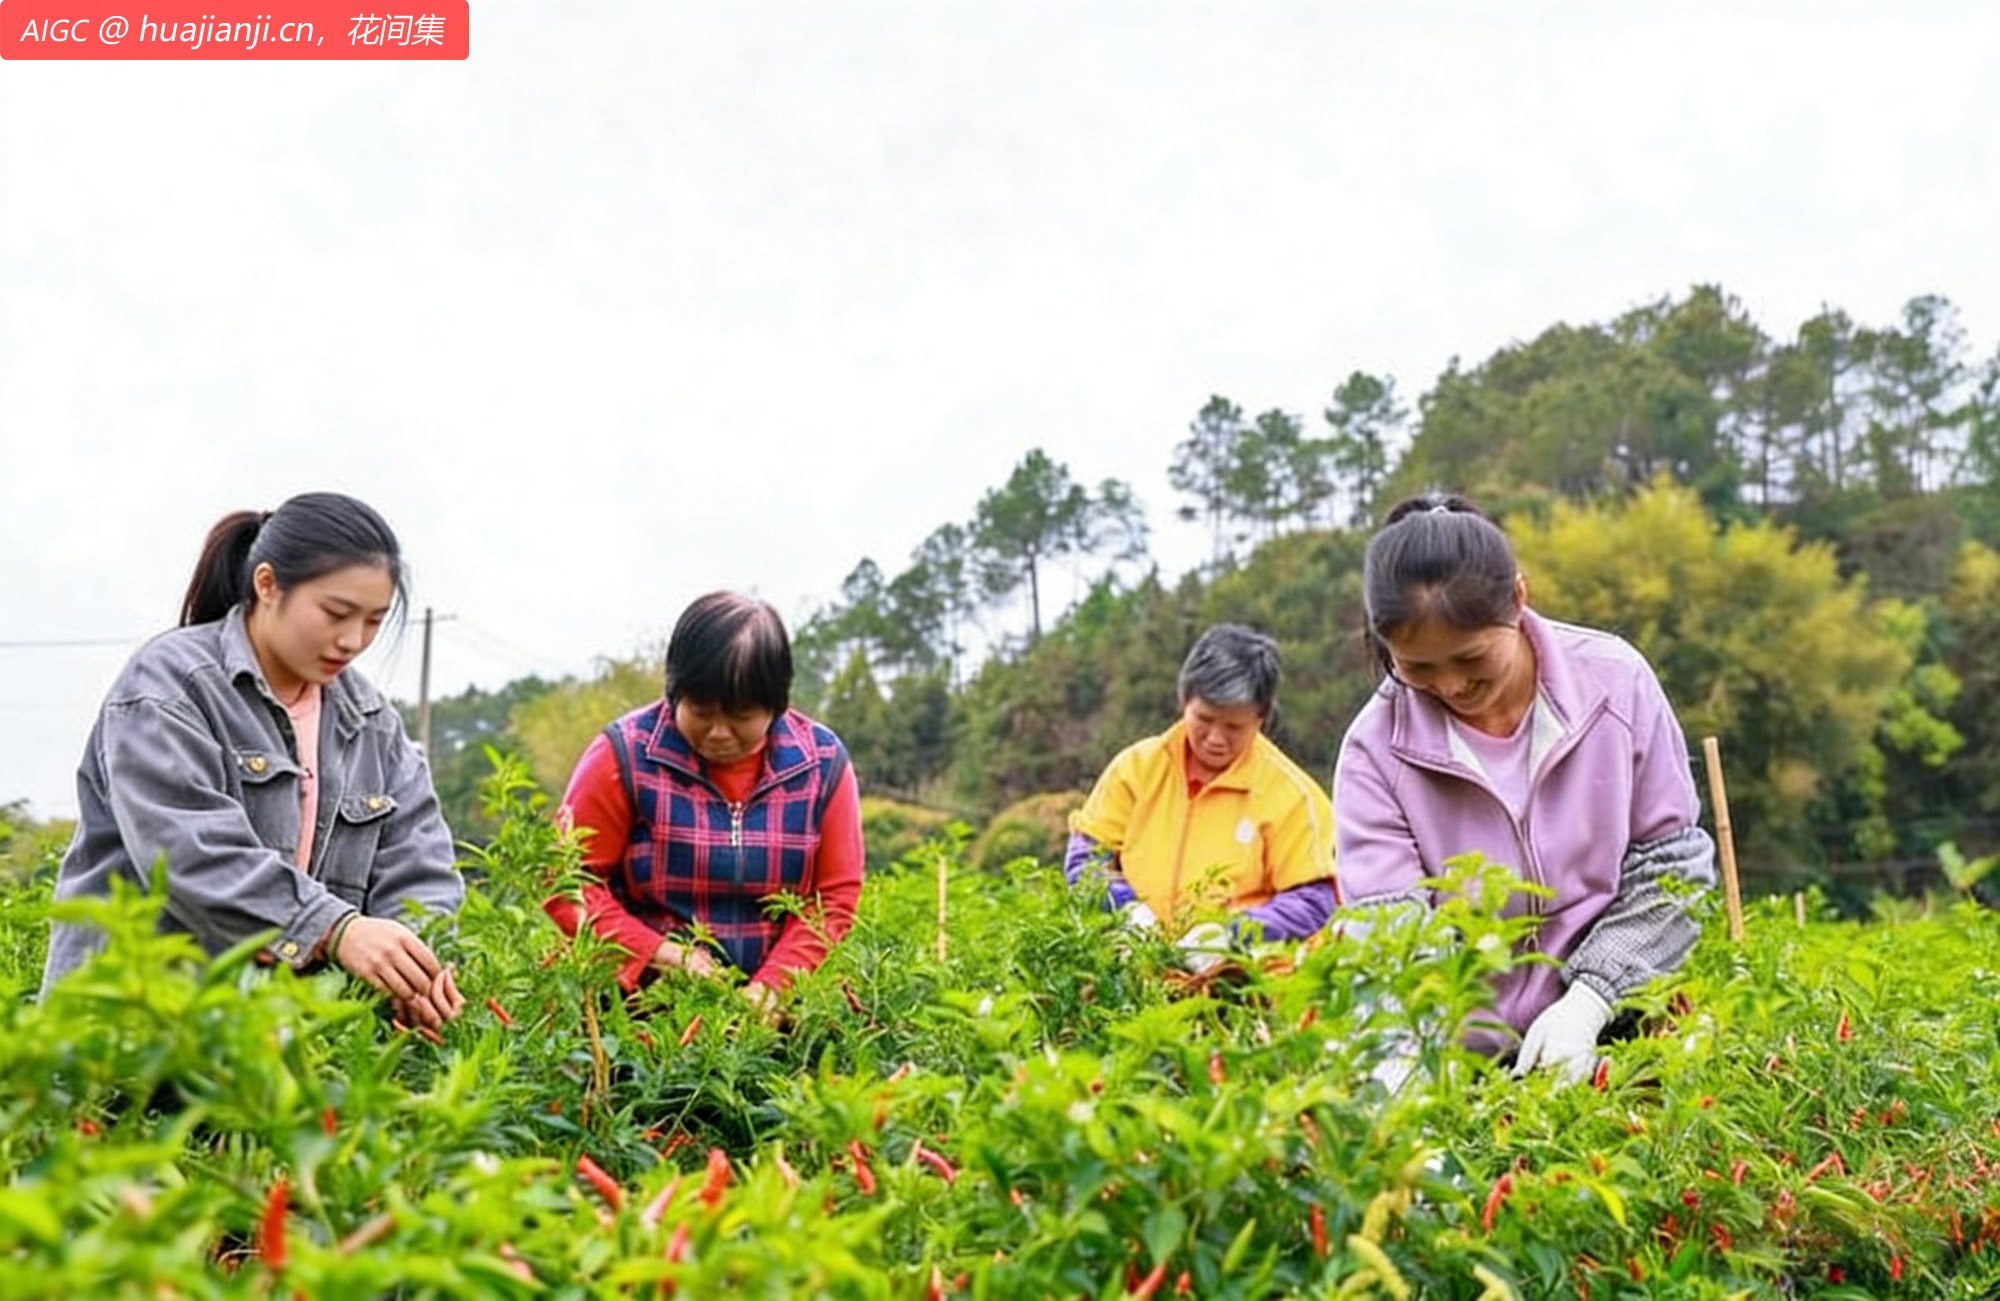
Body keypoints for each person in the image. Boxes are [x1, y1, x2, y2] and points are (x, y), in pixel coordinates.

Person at [41, 493, 467, 1028]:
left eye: (374, 621)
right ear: (267, 585)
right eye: (335, 613)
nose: (352, 640)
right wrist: (336, 929)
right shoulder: (170, 685)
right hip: (137, 1028)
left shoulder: (372, 723)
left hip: (274, 1045)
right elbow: (187, 852)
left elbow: (420, 866)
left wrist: (412, 968)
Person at [1333, 494, 1715, 1080]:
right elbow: (1390, 935)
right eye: (1418, 669)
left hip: (1621, 1031)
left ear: (1518, 597)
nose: (1452, 686)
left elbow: (1672, 873)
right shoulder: (1374, 751)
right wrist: (1413, 1063)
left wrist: (1590, 1003)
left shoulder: (1614, 684)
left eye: (1470, 657)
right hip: (1465, 1066)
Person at [546, 591, 862, 1009]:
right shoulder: (625, 755)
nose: (718, 732)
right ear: (676, 692)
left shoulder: (821, 765)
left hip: (779, 1017)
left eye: (741, 715)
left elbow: (834, 899)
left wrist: (771, 989)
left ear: (775, 706)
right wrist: (658, 954)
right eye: (701, 710)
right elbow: (568, 880)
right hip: (641, 1006)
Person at [1065, 623, 1338, 960]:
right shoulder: (1136, 770)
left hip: (1243, 991)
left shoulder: (1292, 797)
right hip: (1137, 977)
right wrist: (1126, 911)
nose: (1215, 738)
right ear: (1184, 700)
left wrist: (1230, 937)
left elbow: (1315, 902)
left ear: (1261, 717)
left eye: (1234, 726)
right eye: (1204, 719)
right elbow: (1085, 861)